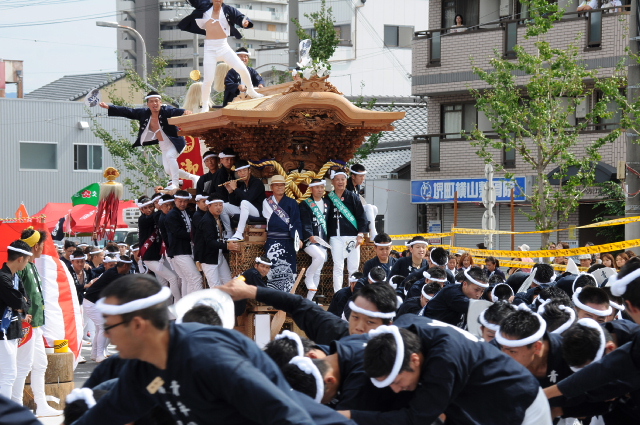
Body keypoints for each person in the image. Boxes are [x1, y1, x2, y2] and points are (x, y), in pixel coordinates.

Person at [70, 274, 317, 425]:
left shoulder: (210, 360)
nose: (107, 334)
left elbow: (287, 416)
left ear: (137, 325)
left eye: (110, 327)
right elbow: (107, 413)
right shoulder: (144, 369)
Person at [348, 315, 551, 425]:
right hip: (473, 403)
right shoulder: (403, 329)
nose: (395, 389)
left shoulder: (444, 362)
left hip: (523, 404)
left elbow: (415, 419)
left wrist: (350, 415)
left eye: (397, 381)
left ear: (415, 360)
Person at [220, 278, 397, 346]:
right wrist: (251, 291)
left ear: (388, 326)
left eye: (370, 322)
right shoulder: (335, 331)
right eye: (355, 317)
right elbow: (297, 304)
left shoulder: (397, 366)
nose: (358, 327)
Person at [99, 92, 197, 191]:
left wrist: (185, 111)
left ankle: (175, 184)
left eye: (156, 101)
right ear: (148, 104)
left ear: (160, 102)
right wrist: (109, 107)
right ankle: (193, 177)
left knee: (170, 156)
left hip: (176, 143)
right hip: (163, 145)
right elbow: (128, 111)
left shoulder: (167, 110)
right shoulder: (144, 113)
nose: (154, 103)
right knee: (168, 170)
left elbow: (176, 111)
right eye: (151, 101)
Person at [178, 0, 264, 114]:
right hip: (210, 49)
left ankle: (251, 91)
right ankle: (205, 105)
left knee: (243, 69)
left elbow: (240, 17)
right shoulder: (204, 5)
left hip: (224, 47)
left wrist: (245, 22)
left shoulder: (228, 10)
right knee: (208, 80)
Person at [12, 229, 62, 417]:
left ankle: (41, 404)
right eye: (42, 244)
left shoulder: (31, 265)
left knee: (40, 364)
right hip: (26, 324)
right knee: (23, 366)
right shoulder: (22, 266)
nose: (43, 247)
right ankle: (16, 406)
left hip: (36, 325)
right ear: (35, 246)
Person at [83, 256, 133, 363]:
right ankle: (99, 355)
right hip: (91, 303)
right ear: (125, 266)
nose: (130, 269)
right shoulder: (113, 274)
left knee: (100, 329)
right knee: (105, 327)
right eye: (129, 267)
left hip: (96, 303)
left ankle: (95, 354)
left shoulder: (116, 272)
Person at [0, 241, 32, 399]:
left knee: (9, 374)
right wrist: (21, 304)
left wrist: (21, 304)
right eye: (27, 260)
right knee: (8, 374)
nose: (27, 263)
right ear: (20, 259)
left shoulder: (16, 277)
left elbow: (27, 302)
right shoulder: (2, 278)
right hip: (3, 332)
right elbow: (19, 302)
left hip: (13, 330)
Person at [327, 169, 368, 293]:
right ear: (332, 182)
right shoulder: (328, 198)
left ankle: (353, 294)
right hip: (335, 237)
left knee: (353, 268)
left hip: (352, 237)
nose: (340, 182)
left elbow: (361, 217)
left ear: (346, 181)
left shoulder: (353, 197)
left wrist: (360, 234)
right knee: (338, 266)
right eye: (337, 179)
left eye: (343, 179)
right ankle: (338, 294)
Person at [263, 175, 303, 293]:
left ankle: (288, 296)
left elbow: (296, 221)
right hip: (272, 240)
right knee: (272, 269)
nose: (280, 187)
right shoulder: (267, 202)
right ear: (272, 187)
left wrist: (298, 238)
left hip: (288, 241)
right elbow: (269, 220)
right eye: (277, 185)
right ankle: (274, 297)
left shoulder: (292, 202)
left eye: (282, 185)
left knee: (289, 268)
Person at [194, 195, 239, 287]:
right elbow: (210, 242)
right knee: (215, 286)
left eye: (220, 205)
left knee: (228, 282)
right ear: (209, 206)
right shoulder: (207, 221)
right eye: (216, 205)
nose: (219, 207)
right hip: (208, 257)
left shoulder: (217, 217)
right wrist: (227, 246)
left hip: (218, 254)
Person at [165, 190, 203, 296]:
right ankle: (197, 303)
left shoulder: (188, 212)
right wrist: (197, 236)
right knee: (196, 278)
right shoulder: (171, 215)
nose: (183, 204)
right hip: (179, 251)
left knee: (188, 280)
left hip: (188, 249)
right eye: (180, 201)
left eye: (185, 201)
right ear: (175, 200)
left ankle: (186, 304)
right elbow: (178, 232)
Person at [423, 266, 488, 327]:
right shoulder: (453, 294)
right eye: (476, 290)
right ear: (465, 284)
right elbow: (478, 309)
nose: (479, 295)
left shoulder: (465, 293)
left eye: (482, 291)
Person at [299, 178, 330, 300]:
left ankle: (310, 300)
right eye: (317, 187)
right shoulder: (305, 204)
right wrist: (309, 235)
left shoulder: (327, 203)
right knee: (320, 257)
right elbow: (305, 222)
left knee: (318, 271)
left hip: (323, 241)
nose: (320, 190)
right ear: (311, 189)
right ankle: (308, 275)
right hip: (310, 241)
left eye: (322, 187)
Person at [222, 159, 266, 241]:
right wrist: (231, 192)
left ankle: (239, 233)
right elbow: (235, 204)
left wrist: (235, 188)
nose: (242, 173)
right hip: (245, 210)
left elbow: (248, 198)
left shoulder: (257, 183)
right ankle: (229, 233)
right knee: (223, 206)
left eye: (244, 170)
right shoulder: (242, 186)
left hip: (257, 211)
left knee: (244, 202)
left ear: (249, 171)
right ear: (237, 173)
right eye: (239, 171)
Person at [346, 164, 378, 239]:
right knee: (368, 207)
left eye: (364, 176)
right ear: (353, 176)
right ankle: (373, 235)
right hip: (349, 211)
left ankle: (368, 231)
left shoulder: (357, 186)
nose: (363, 178)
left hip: (356, 209)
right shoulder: (347, 185)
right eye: (360, 176)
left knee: (374, 208)